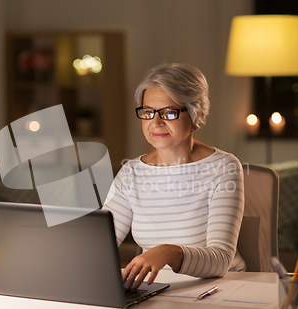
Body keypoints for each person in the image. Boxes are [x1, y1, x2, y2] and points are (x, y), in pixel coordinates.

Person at [102, 63, 245, 289]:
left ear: (196, 114)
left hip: (219, 288)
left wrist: (167, 253)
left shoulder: (223, 167)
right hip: (157, 287)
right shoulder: (131, 173)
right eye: (148, 112)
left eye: (169, 112)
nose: (156, 123)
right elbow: (100, 244)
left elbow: (221, 260)